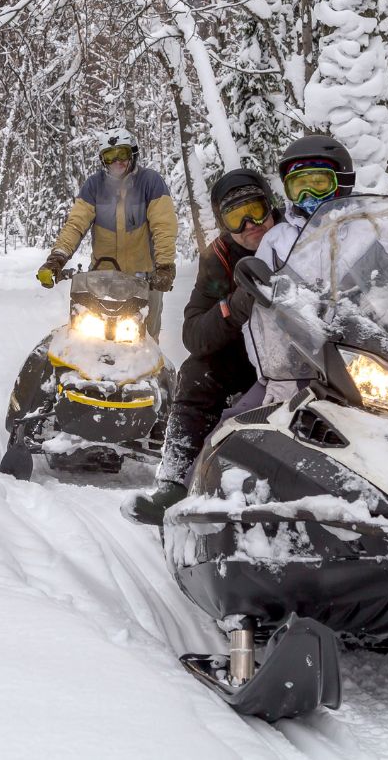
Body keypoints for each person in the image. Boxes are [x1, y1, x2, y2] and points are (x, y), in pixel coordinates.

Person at [124, 168, 280, 525]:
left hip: (309, 349)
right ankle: (174, 482)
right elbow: (194, 333)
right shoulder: (219, 258)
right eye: (236, 218)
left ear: (271, 205)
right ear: (224, 225)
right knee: (196, 372)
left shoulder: (298, 237)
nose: (250, 224)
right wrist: (234, 306)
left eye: (256, 209)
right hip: (247, 357)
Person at [245, 134, 355, 405]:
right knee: (234, 424)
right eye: (299, 186)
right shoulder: (276, 241)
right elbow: (256, 319)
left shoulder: (366, 230)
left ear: (340, 182)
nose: (309, 195)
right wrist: (278, 367)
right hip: (296, 368)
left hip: (361, 361)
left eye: (319, 183)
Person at [36, 129, 178, 336]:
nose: (117, 162)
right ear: (103, 161)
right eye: (110, 157)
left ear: (133, 154)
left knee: (146, 341)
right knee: (85, 338)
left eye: (122, 154)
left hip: (146, 282)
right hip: (102, 281)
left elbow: (163, 226)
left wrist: (164, 267)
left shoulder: (150, 182)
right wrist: (56, 260)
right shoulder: (94, 186)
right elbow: (75, 225)